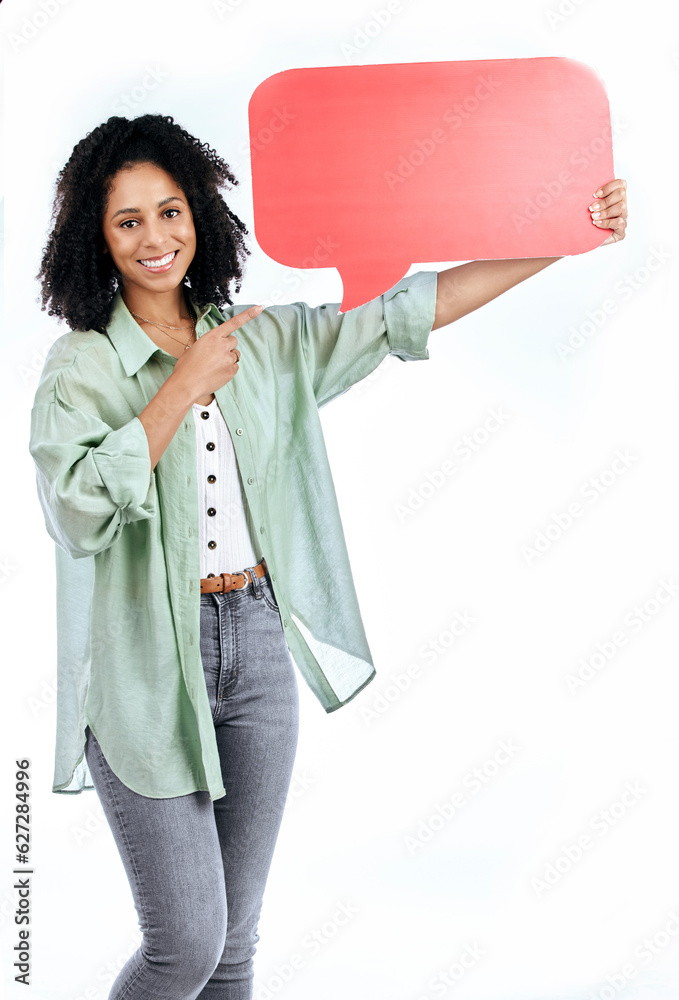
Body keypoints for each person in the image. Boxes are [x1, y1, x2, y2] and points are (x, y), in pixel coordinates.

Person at [28, 112, 627, 999]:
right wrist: (182, 387)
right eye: (127, 222)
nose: (154, 238)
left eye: (169, 212)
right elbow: (75, 513)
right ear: (97, 238)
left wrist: (564, 236)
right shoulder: (79, 368)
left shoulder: (264, 340)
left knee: (233, 947)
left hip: (258, 646)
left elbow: (408, 311)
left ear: (199, 215)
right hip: (145, 667)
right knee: (185, 947)